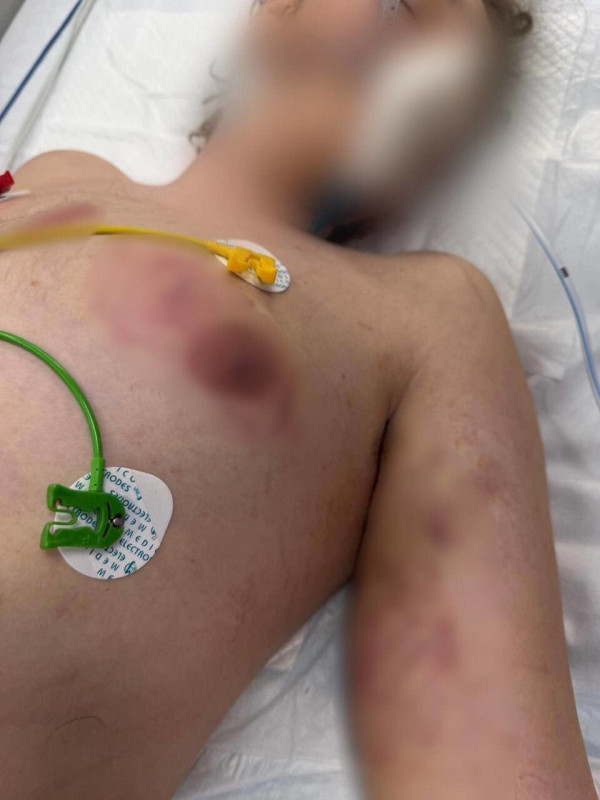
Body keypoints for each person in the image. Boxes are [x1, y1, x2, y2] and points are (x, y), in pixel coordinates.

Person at [0, 0, 596, 798]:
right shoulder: (55, 174)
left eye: (469, 88)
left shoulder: (426, 316)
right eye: (400, 7)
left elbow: (500, 763)